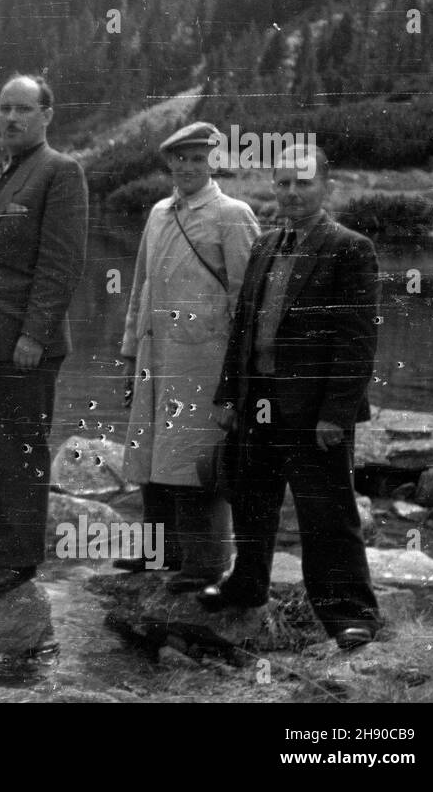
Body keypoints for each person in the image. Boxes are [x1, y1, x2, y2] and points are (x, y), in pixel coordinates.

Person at [199, 145, 381, 651]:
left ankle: (350, 613)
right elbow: (243, 328)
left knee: (327, 513)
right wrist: (226, 396)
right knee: (250, 497)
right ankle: (247, 583)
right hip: (257, 399)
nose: (293, 193)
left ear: (326, 186)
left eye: (303, 183)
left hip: (313, 411)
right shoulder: (265, 245)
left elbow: (357, 342)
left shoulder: (350, 248)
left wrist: (336, 415)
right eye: (283, 183)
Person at [0, 74, 88, 594]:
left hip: (23, 344)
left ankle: (19, 559)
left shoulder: (60, 172)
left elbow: (61, 263)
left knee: (18, 447)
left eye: (23, 109)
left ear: (47, 115)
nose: (11, 118)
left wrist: (34, 334)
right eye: (5, 108)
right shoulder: (2, 171)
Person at [114, 122, 260, 592]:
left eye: (198, 159)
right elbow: (140, 287)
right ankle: (161, 553)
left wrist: (240, 377)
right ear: (169, 164)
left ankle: (206, 564)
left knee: (197, 461)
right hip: (156, 358)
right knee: (150, 454)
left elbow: (249, 300)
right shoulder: (159, 213)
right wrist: (129, 350)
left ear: (214, 161)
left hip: (205, 363)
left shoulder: (232, 215)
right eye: (180, 160)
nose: (188, 167)